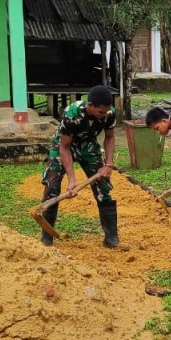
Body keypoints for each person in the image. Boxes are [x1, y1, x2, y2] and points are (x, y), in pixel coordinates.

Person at [40, 85, 118, 248]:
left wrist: (108, 164)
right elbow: (65, 147)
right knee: (51, 187)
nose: (103, 115)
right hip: (63, 145)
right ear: (90, 105)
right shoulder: (71, 113)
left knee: (103, 187)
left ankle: (111, 237)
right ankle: (47, 238)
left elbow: (109, 137)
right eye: (100, 112)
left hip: (88, 145)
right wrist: (72, 179)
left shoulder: (109, 113)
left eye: (106, 111)